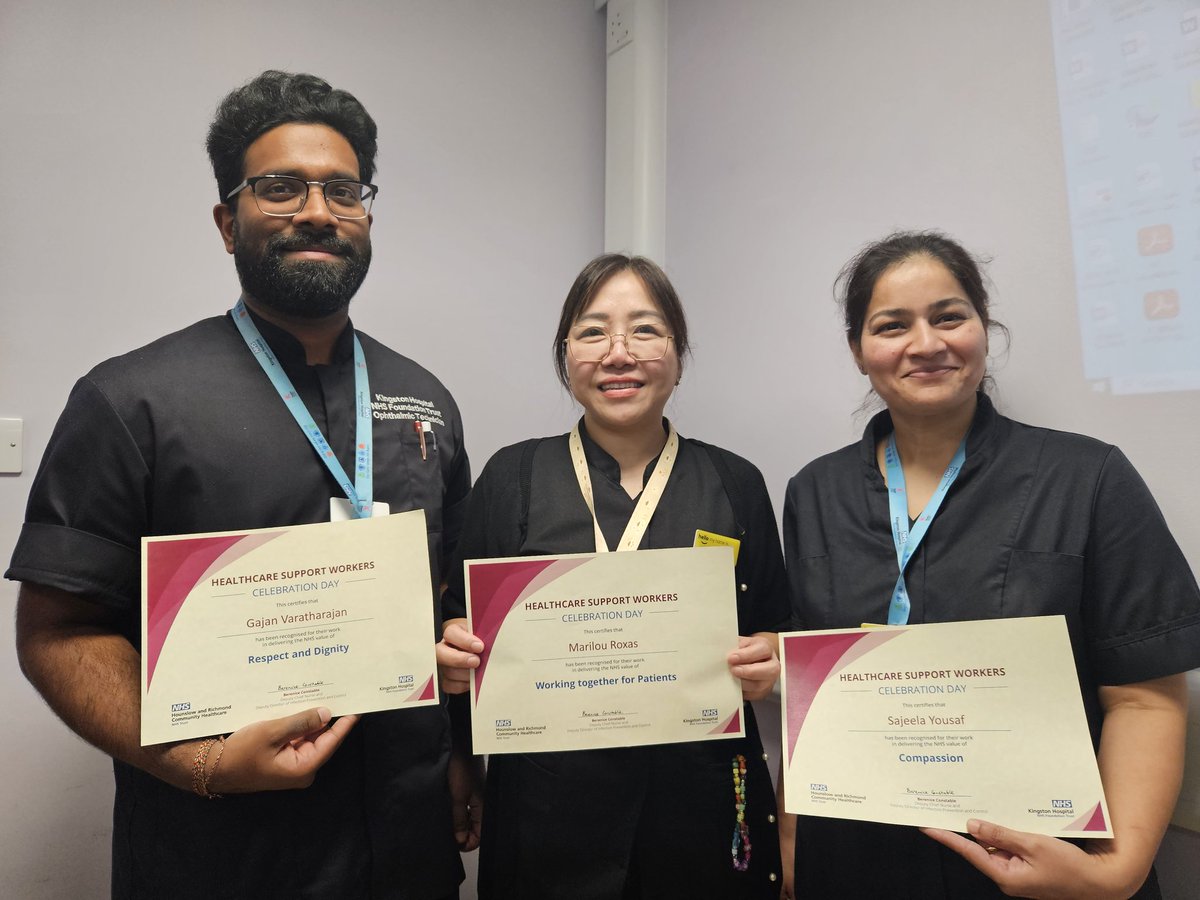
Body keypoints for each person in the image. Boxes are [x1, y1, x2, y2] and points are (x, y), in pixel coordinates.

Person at [8, 71, 476, 899]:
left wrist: (461, 742)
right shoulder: (131, 401)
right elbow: (57, 634)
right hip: (219, 853)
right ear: (228, 222)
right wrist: (202, 764)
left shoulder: (426, 402)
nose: (318, 211)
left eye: (343, 190)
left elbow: (448, 605)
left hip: (409, 850)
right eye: (280, 188)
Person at [779, 230, 1200, 899]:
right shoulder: (813, 493)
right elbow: (813, 695)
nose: (926, 343)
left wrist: (1114, 874)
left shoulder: (1088, 478)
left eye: (949, 316)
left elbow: (1144, 698)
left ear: (983, 327)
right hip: (857, 858)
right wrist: (793, 845)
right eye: (892, 325)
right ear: (859, 350)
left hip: (1040, 867)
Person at [436, 253, 788, 898]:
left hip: (700, 807)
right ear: (565, 353)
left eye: (646, 331)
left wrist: (772, 659)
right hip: (547, 812)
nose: (618, 353)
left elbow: (776, 625)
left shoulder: (736, 482)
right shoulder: (512, 477)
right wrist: (454, 663)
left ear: (679, 353)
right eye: (594, 331)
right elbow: (456, 633)